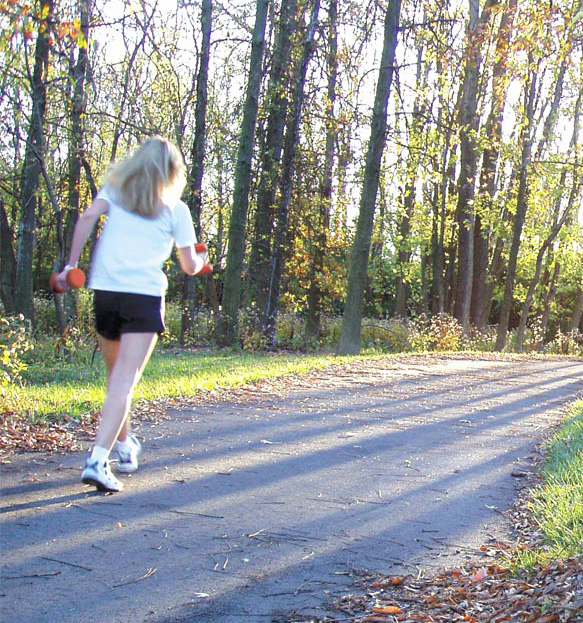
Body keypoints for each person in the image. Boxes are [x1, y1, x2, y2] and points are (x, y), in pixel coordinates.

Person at [53, 136, 207, 493]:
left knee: (116, 378)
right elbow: (188, 265)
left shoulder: (115, 191)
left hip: (105, 293)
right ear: (172, 171)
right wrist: (200, 260)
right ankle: (97, 460)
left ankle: (124, 447)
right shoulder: (176, 208)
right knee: (125, 379)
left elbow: (88, 216)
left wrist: (70, 266)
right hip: (143, 297)